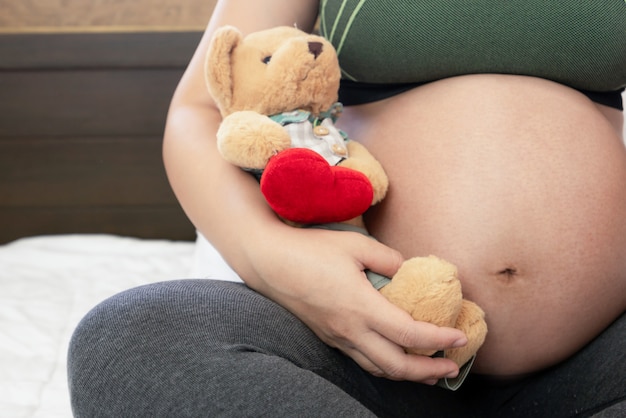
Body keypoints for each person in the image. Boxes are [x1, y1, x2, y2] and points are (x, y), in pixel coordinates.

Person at [67, 0, 626, 416]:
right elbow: (197, 111)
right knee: (134, 342)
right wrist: (273, 256)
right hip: (353, 361)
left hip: (594, 363)